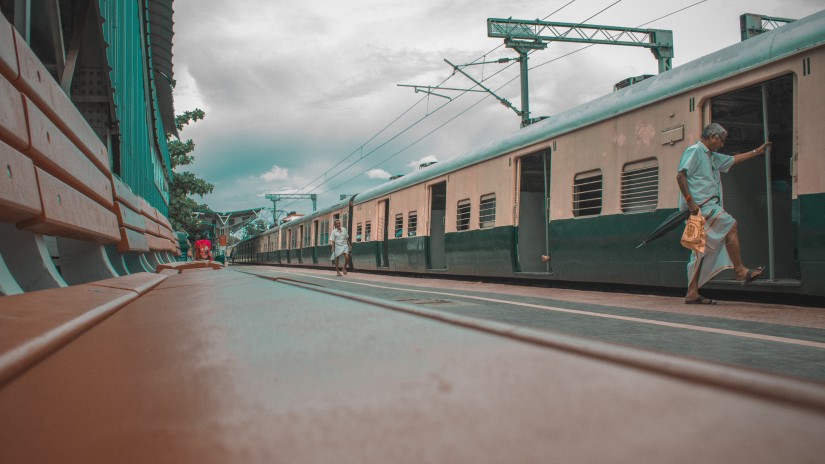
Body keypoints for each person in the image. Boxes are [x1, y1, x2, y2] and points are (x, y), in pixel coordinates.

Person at [676, 123, 770, 304]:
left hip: (703, 208)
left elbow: (732, 160)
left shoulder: (711, 156)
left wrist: (756, 152)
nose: (722, 144)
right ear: (713, 137)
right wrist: (690, 202)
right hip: (701, 208)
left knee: (699, 250)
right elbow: (680, 175)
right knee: (731, 224)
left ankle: (692, 292)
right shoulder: (695, 151)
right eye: (722, 141)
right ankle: (740, 270)